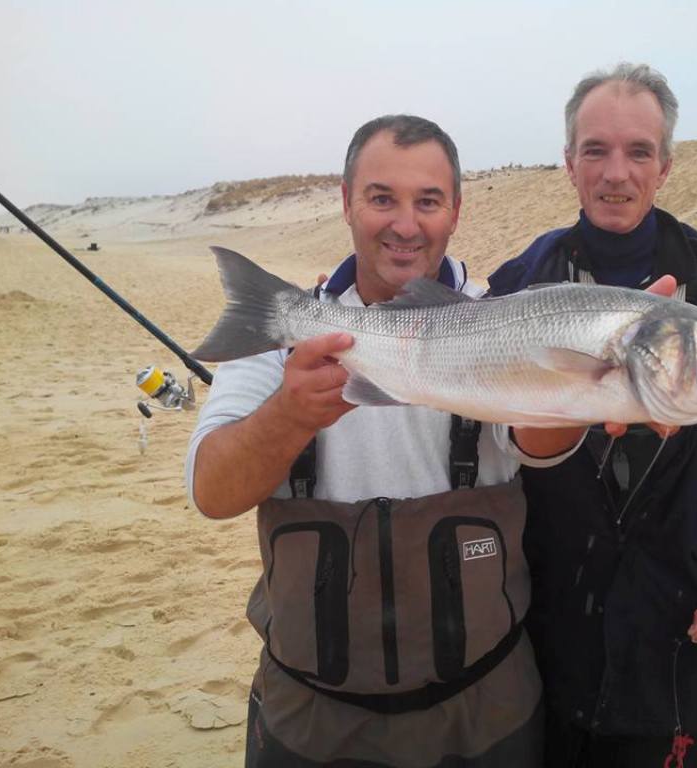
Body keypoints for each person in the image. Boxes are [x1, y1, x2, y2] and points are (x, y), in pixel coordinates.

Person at [186, 114, 586, 767]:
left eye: (428, 201)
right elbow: (212, 491)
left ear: (456, 211)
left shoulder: (502, 317)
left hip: (486, 713)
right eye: (381, 198)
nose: (405, 224)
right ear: (346, 201)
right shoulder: (284, 330)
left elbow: (537, 444)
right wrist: (289, 415)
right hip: (311, 719)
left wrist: (598, 387)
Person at [487, 63, 697, 767]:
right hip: (536, 650)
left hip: (673, 651)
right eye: (596, 150)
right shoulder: (515, 291)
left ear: (665, 166)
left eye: (639, 151)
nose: (617, 173)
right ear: (569, 163)